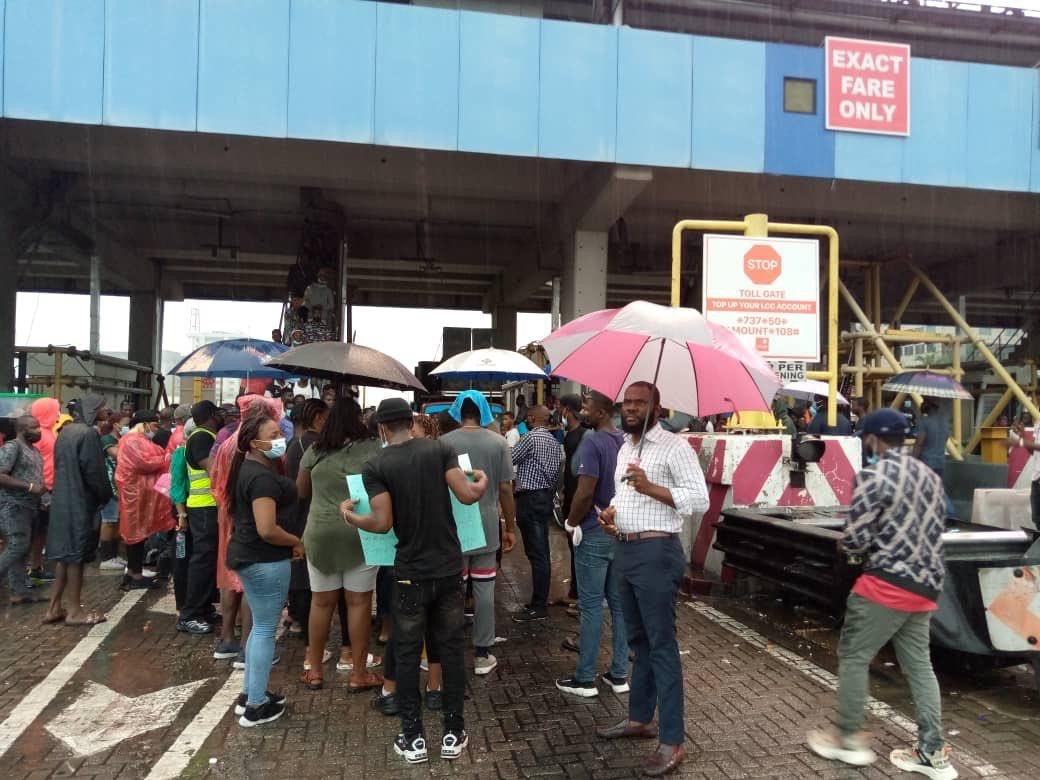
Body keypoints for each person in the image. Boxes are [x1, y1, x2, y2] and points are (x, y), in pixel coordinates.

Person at [807, 409, 957, 779]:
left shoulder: (873, 475)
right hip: (926, 586)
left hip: (886, 583)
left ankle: (848, 739)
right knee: (919, 665)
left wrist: (851, 544)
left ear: (871, 439)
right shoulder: (929, 475)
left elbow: (856, 539)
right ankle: (933, 752)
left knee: (854, 656)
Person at [342, 397, 488, 764]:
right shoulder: (441, 449)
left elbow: (382, 522)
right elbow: (468, 496)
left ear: (381, 428)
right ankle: (454, 732)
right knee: (451, 649)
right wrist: (482, 481)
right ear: (411, 421)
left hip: (409, 573)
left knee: (406, 654)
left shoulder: (377, 464)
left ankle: (413, 738)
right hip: (449, 568)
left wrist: (350, 516)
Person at [595, 382, 708, 777]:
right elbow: (625, 496)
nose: (631, 408)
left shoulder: (674, 447)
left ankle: (672, 740)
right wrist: (612, 514)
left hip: (657, 554)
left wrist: (652, 487)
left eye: (640, 402)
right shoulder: (627, 446)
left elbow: (700, 499)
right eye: (627, 402)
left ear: (657, 408)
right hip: (625, 549)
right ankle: (640, 718)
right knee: (638, 641)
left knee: (661, 645)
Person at [297, 398, 383, 692]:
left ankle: (315, 670)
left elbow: (301, 490)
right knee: (358, 603)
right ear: (358, 418)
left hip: (320, 532)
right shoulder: (373, 448)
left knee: (321, 603)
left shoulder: (315, 450)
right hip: (361, 529)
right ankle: (359, 673)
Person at [225, 412, 301, 727]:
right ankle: (256, 705)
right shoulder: (261, 478)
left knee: (260, 628)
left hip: (250, 557)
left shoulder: (249, 469)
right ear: (255, 443)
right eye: (272, 434)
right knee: (266, 631)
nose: (279, 438)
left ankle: (251, 694)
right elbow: (267, 528)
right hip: (264, 559)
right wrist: (296, 541)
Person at [556, 391, 628, 698]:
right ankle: (619, 674)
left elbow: (584, 493)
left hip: (594, 529)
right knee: (620, 605)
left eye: (587, 405)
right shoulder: (625, 441)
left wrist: (571, 522)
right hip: (619, 529)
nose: (582, 409)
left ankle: (585, 678)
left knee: (590, 606)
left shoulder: (592, 443)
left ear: (601, 412)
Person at [441, 391, 518, 676]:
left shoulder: (444, 443)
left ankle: (450, 648)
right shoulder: (499, 443)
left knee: (453, 590)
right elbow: (506, 489)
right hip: (487, 524)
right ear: (484, 411)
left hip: (454, 527)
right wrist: (510, 527)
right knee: (485, 588)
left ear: (458, 412)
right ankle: (483, 654)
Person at [43, 394, 113, 626]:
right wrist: (105, 495)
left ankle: (54, 607)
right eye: (103, 408)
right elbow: (94, 472)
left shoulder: (66, 432)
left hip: (63, 500)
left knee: (65, 554)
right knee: (77, 557)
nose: (107, 411)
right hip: (81, 502)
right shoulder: (88, 434)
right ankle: (74, 611)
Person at [510, 404, 563, 623]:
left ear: (531, 418)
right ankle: (538, 601)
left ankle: (539, 605)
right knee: (540, 551)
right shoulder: (552, 440)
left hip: (530, 498)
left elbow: (510, 458)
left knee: (537, 553)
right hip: (544, 497)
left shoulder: (531, 438)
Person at [177, 400, 226, 635]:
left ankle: (204, 608)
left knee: (208, 560)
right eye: (219, 413)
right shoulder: (202, 437)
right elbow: (214, 470)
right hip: (204, 506)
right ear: (212, 415)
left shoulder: (203, 436)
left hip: (206, 506)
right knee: (202, 560)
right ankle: (190, 614)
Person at [284, 398, 329, 640]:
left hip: (298, 513)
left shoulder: (294, 445)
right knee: (308, 571)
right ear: (318, 418)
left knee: (300, 567)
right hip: (311, 511)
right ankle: (303, 620)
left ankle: (298, 617)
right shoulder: (317, 446)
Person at [115, 410, 173, 590]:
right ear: (145, 424)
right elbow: (143, 463)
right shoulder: (132, 441)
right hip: (135, 494)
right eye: (154, 425)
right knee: (135, 535)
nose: (155, 429)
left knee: (137, 535)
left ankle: (133, 572)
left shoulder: (137, 440)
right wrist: (166, 457)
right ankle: (135, 574)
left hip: (139, 493)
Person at [0, 415, 46, 605]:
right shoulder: (12, 447)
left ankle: (19, 591)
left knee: (23, 548)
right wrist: (28, 487)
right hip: (13, 505)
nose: (39, 431)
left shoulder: (34, 451)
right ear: (22, 429)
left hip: (30, 506)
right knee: (17, 546)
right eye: (34, 427)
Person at [559, 395, 590, 605]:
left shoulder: (585, 434)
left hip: (578, 494)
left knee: (578, 543)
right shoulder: (570, 432)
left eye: (560, 408)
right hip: (569, 493)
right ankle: (574, 590)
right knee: (572, 545)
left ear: (567, 409)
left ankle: (579, 593)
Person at [27, 397, 60, 584]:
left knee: (40, 531)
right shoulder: (39, 434)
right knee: (33, 530)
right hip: (40, 489)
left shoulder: (47, 432)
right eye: (55, 410)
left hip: (46, 488)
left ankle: (35, 567)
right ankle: (28, 569)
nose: (58, 413)